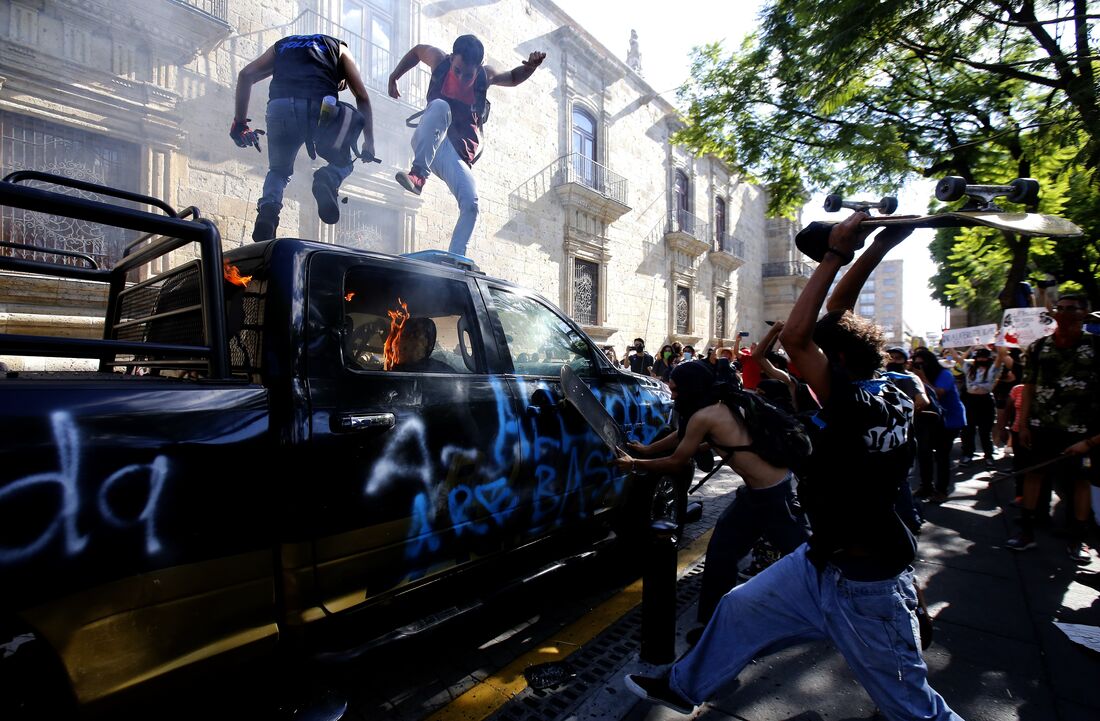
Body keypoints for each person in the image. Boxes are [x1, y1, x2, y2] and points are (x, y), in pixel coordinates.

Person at [625, 213, 964, 721]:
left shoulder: (854, 402)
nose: (809, 359)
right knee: (739, 607)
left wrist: (834, 255)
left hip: (866, 583)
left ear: (839, 362)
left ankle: (903, 631)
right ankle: (682, 685)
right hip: (821, 559)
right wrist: (878, 246)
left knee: (914, 710)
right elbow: (837, 319)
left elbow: (804, 336)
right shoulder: (890, 389)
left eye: (824, 356)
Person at [614, 360, 808, 633]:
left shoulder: (704, 416)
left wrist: (634, 464)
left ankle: (846, 607)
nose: (671, 395)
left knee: (806, 559)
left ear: (690, 388)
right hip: (757, 493)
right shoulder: (718, 404)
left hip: (774, 494)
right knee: (720, 554)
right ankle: (711, 627)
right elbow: (683, 437)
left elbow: (676, 461)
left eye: (675, 389)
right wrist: (645, 451)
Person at [387, 36, 545, 256]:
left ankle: (456, 259)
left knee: (471, 205)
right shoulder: (439, 60)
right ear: (452, 59)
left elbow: (512, 77)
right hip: (431, 139)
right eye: (457, 70)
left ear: (478, 68)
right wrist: (394, 76)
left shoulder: (485, 76)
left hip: (455, 155)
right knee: (441, 106)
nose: (461, 78)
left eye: (468, 74)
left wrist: (530, 67)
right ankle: (418, 175)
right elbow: (416, 51)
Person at [232, 34, 375, 241]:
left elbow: (246, 75)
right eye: (340, 83)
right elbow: (361, 96)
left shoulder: (281, 45)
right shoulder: (341, 49)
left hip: (279, 109)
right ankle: (328, 177)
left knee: (279, 171)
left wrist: (240, 123)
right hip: (320, 110)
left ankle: (268, 213)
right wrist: (369, 142)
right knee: (345, 160)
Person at [1006, 294, 1099, 561]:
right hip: (1040, 426)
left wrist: (1093, 439)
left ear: (1085, 313)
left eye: (1073, 309)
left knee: (1080, 482)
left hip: (1083, 429)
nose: (1066, 313)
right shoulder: (1038, 347)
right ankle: (1026, 532)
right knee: (1034, 477)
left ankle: (1078, 539)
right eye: (1062, 308)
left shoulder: (1096, 346)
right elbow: (1030, 388)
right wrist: (1023, 424)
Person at [911, 346, 967, 502]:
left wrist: (921, 378)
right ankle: (926, 486)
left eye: (922, 364)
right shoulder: (915, 376)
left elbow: (937, 394)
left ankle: (941, 490)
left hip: (948, 420)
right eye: (917, 364)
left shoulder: (945, 374)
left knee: (942, 456)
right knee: (924, 454)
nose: (919, 367)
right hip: (927, 420)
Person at [956, 346, 1003, 468]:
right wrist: (970, 348)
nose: (981, 359)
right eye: (979, 357)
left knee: (985, 431)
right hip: (970, 402)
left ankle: (988, 456)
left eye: (984, 357)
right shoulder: (970, 369)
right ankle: (968, 454)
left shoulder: (993, 369)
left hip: (985, 401)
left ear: (988, 358)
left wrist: (998, 345)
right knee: (968, 430)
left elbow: (1000, 357)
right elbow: (958, 358)